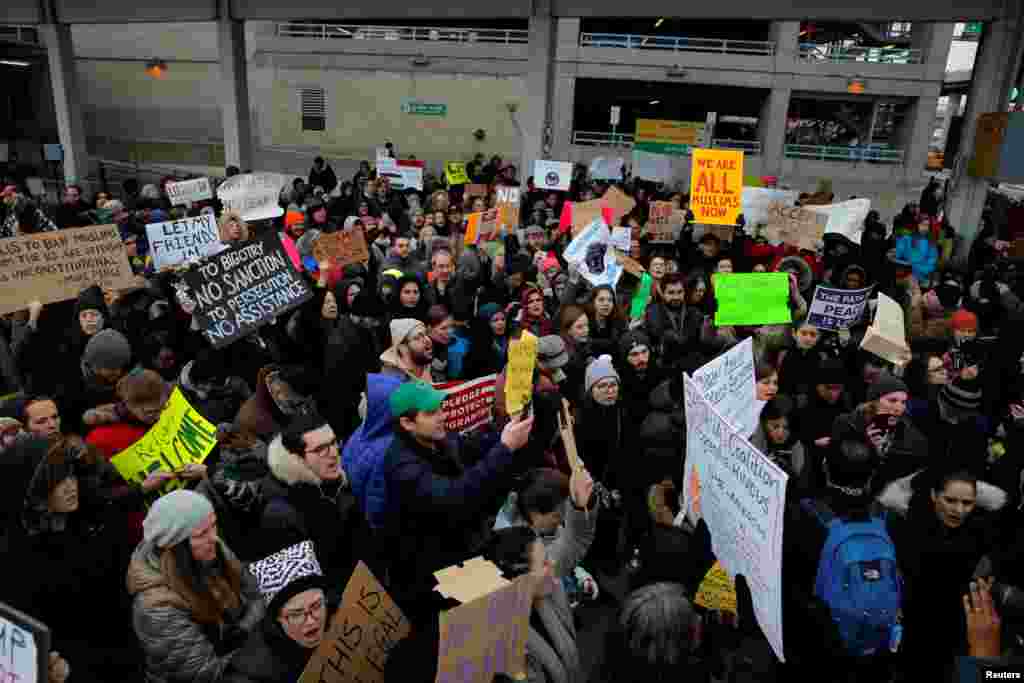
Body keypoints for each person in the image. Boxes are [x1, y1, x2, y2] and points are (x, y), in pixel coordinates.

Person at [380, 381, 535, 623]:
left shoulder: (438, 437)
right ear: (407, 423)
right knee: (488, 618)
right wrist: (504, 448)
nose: (442, 416)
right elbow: (454, 497)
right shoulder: (402, 466)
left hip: (462, 546)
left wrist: (509, 428)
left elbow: (472, 448)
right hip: (432, 574)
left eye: (441, 408)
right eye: (431, 413)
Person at [127, 490, 264, 683]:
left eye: (214, 525)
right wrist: (258, 647)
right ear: (175, 545)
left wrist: (244, 628)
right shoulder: (156, 608)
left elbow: (255, 596)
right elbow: (206, 674)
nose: (214, 537)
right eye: (201, 533)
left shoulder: (211, 547)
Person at [260, 413, 377, 585]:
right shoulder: (280, 515)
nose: (333, 454)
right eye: (321, 449)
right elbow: (299, 586)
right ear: (297, 459)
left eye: (333, 442)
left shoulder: (336, 479)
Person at [225, 541, 333, 683]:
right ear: (278, 620)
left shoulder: (347, 614)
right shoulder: (259, 670)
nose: (311, 620)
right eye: (296, 614)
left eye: (316, 606)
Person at [379, 318, 433, 383]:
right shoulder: (390, 380)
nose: (428, 340)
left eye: (426, 334)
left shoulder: (425, 365)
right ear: (402, 348)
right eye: (417, 338)